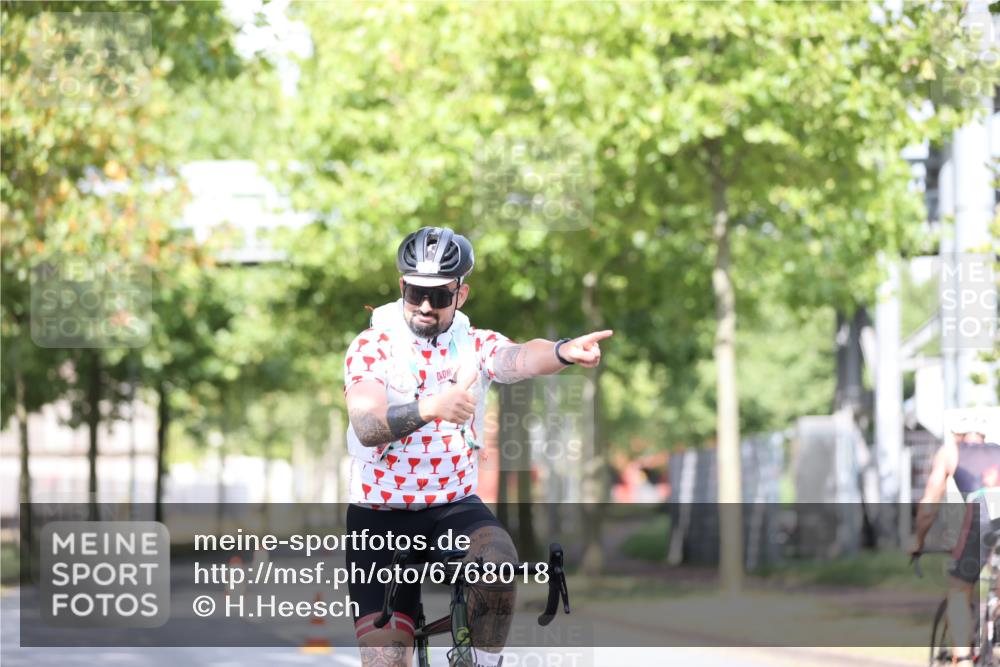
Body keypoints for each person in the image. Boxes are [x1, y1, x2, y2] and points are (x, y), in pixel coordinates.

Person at [343, 226, 612, 667]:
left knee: (497, 557)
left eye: (441, 296)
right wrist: (432, 407)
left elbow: (519, 357)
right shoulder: (372, 346)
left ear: (461, 294)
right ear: (401, 288)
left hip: (453, 505)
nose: (426, 306)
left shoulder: (475, 343)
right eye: (415, 293)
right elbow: (367, 423)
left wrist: (563, 351)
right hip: (379, 514)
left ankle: (483, 663)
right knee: (386, 658)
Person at [911, 413, 1000, 666]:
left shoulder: (951, 451)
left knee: (959, 589)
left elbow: (929, 505)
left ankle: (962, 659)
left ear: (956, 435)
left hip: (983, 514)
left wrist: (917, 540)